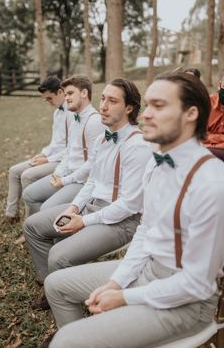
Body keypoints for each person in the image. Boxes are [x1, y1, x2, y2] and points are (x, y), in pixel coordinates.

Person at [43, 72, 224, 348]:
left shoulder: (213, 183)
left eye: (160, 106)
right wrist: (117, 282)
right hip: (146, 268)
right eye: (149, 105)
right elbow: (144, 231)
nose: (147, 115)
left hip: (187, 303)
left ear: (191, 113)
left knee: (64, 342)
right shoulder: (156, 163)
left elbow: (197, 285)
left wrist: (124, 297)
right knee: (56, 285)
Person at [23, 77, 152, 310]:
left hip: (121, 221)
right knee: (32, 226)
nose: (103, 105)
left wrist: (83, 221)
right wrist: (74, 207)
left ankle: (65, 297)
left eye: (112, 101)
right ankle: (50, 283)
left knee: (58, 256)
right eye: (103, 98)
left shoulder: (138, 145)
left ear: (129, 108)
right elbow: (92, 180)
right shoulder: (103, 138)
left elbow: (129, 205)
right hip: (91, 206)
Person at [22, 75, 104, 215]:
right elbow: (68, 152)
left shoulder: (94, 121)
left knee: (45, 209)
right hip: (67, 174)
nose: (66, 98)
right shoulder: (75, 120)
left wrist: (64, 181)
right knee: (29, 194)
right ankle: (39, 228)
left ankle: (46, 228)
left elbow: (93, 165)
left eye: (70, 93)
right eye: (65, 94)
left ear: (84, 93)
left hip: (82, 181)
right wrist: (58, 173)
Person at [5, 75, 71, 244]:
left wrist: (48, 159)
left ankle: (30, 227)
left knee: (27, 175)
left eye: (50, 98)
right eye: (45, 100)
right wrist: (43, 154)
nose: (48, 102)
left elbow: (71, 150)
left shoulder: (72, 113)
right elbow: (55, 143)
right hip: (52, 157)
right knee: (14, 171)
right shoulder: (58, 113)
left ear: (60, 92)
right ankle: (11, 214)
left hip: (63, 161)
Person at [203, 68, 224, 166]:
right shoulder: (206, 103)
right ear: (219, 85)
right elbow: (198, 135)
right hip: (202, 149)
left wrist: (209, 140)